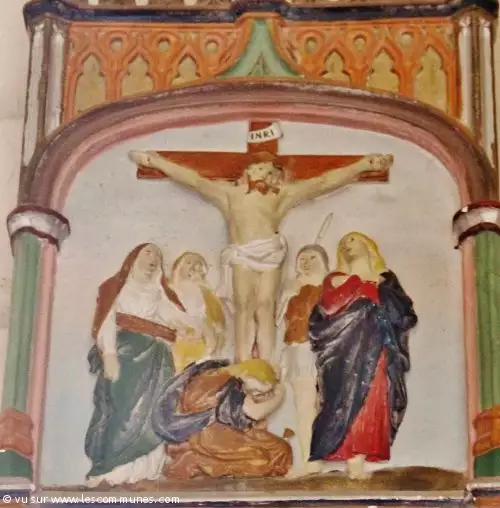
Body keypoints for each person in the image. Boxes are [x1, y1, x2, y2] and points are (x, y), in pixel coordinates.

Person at [129, 150, 393, 363]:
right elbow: (195, 180)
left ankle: (266, 361)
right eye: (259, 169)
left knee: (266, 306)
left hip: (271, 252)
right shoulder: (230, 194)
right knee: (244, 305)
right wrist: (157, 161)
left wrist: (362, 165)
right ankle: (243, 361)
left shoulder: (281, 195)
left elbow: (322, 183)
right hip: (243, 252)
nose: (264, 175)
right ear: (247, 172)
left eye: (269, 171)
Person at [85, 243, 200, 487]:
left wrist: (195, 326)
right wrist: (109, 354)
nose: (153, 258)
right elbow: (107, 320)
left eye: (157, 255)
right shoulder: (117, 287)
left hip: (159, 359)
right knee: (123, 409)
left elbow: (174, 316)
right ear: (133, 258)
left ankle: (145, 469)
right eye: (148, 253)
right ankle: (113, 468)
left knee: (155, 410)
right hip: (128, 354)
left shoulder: (158, 292)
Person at [308, 232, 418, 480]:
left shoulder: (386, 280)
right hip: (344, 351)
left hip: (377, 347)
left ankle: (359, 456)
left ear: (368, 245)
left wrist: (380, 294)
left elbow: (404, 314)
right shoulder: (336, 279)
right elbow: (329, 308)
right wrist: (358, 285)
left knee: (373, 396)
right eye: (343, 243)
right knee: (343, 396)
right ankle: (348, 455)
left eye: (352, 240)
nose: (347, 245)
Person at [152, 359, 292, 479]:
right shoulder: (224, 382)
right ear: (246, 375)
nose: (257, 395)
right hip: (209, 437)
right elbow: (254, 413)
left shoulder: (225, 376)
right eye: (258, 392)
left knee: (280, 450)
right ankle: (195, 459)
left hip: (225, 431)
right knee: (262, 460)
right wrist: (279, 394)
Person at [276, 244, 329, 474]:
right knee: (304, 404)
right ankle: (310, 458)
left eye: (312, 258)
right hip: (298, 348)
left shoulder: (329, 286)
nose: (306, 263)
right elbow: (280, 321)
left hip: (323, 349)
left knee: (321, 404)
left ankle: (319, 456)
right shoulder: (293, 287)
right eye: (302, 259)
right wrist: (288, 295)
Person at [170, 251, 226, 371]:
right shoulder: (167, 292)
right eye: (189, 262)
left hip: (201, 349)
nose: (194, 267)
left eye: (199, 264)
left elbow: (219, 327)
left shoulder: (207, 295)